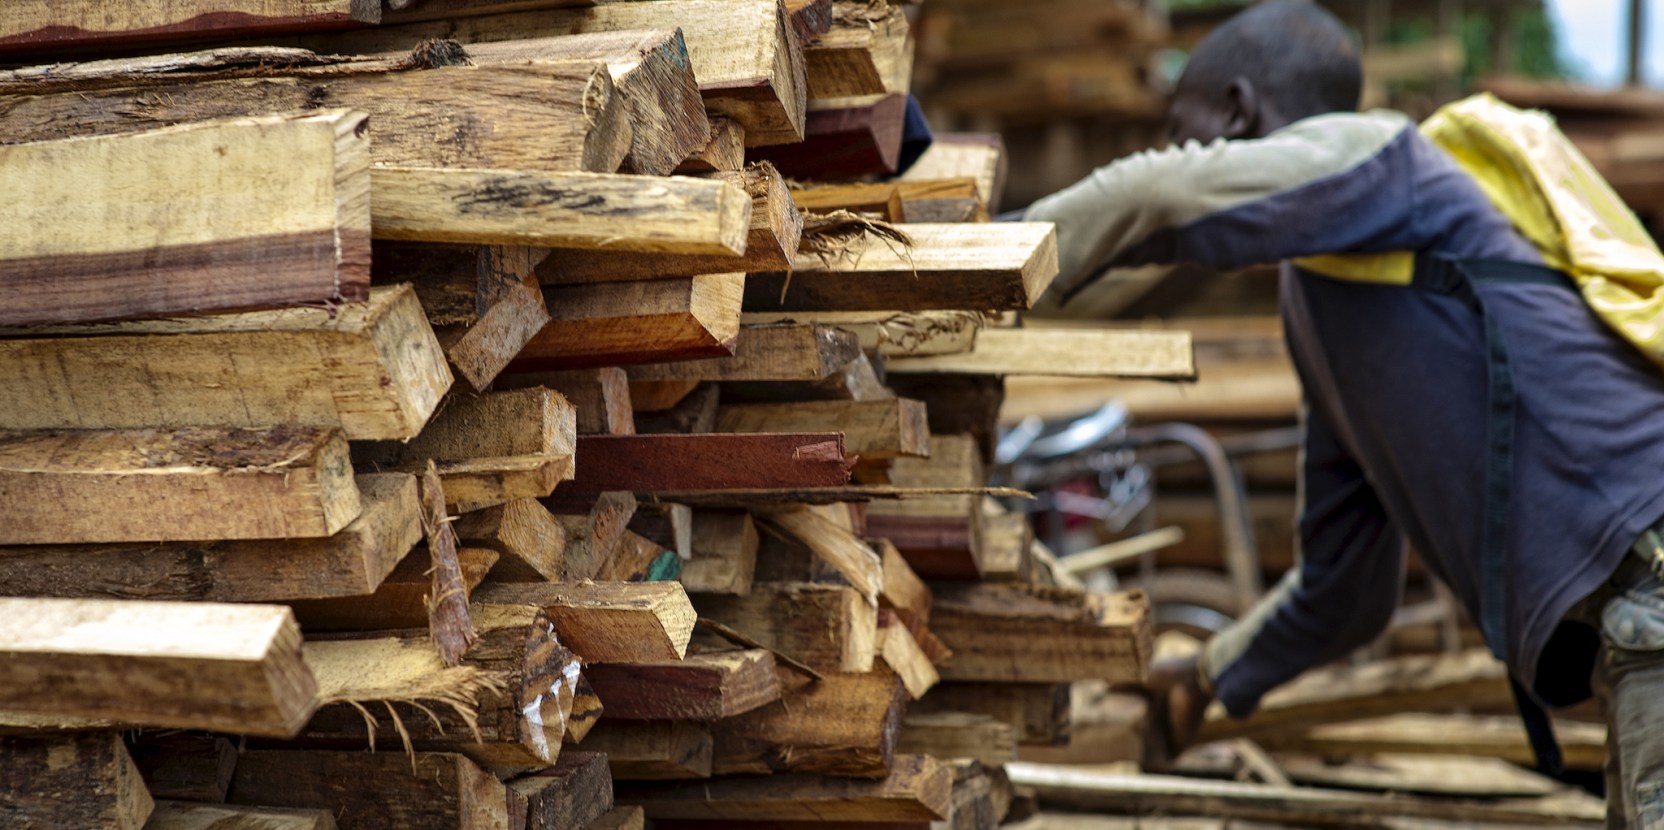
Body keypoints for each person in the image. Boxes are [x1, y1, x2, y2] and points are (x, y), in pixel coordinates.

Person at [1018, 1, 1664, 825]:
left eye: (1177, 127)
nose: (1170, 147)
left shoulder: (1386, 156)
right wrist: (1210, 673)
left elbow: (1164, 192)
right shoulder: (1325, 294)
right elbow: (1344, 592)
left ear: (1237, 112)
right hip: (1638, 608)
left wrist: (985, 258)